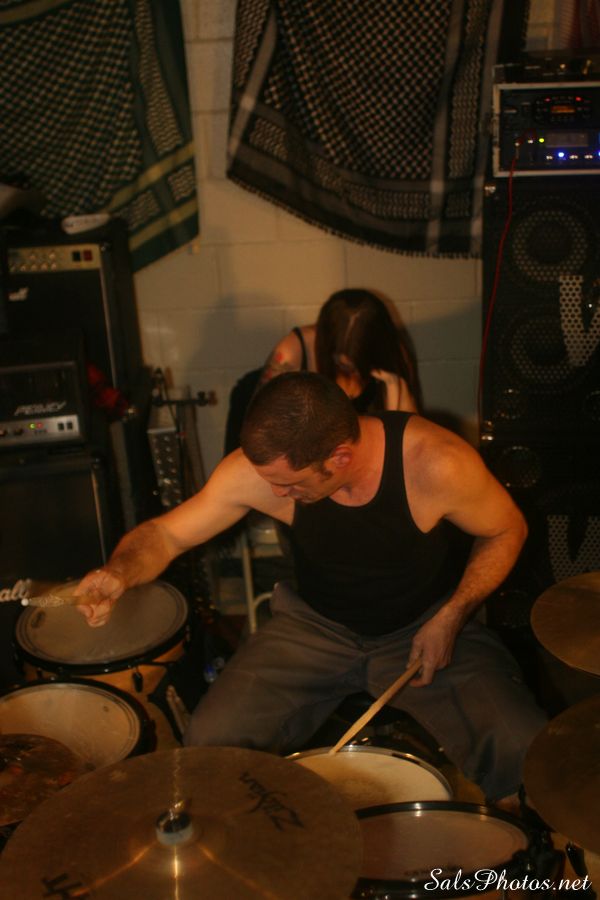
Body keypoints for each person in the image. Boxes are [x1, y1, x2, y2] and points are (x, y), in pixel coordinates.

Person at [75, 372, 545, 802]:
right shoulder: (267, 471)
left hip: (424, 624)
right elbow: (166, 535)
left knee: (522, 748)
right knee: (212, 742)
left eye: (290, 484)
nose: (277, 494)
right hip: (315, 627)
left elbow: (507, 529)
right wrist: (119, 571)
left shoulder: (436, 463)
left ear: (340, 457)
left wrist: (453, 615)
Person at [260, 288, 421, 414]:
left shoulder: (392, 354)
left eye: (357, 364)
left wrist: (394, 389)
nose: (349, 370)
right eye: (339, 361)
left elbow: (413, 437)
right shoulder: (294, 349)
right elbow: (262, 424)